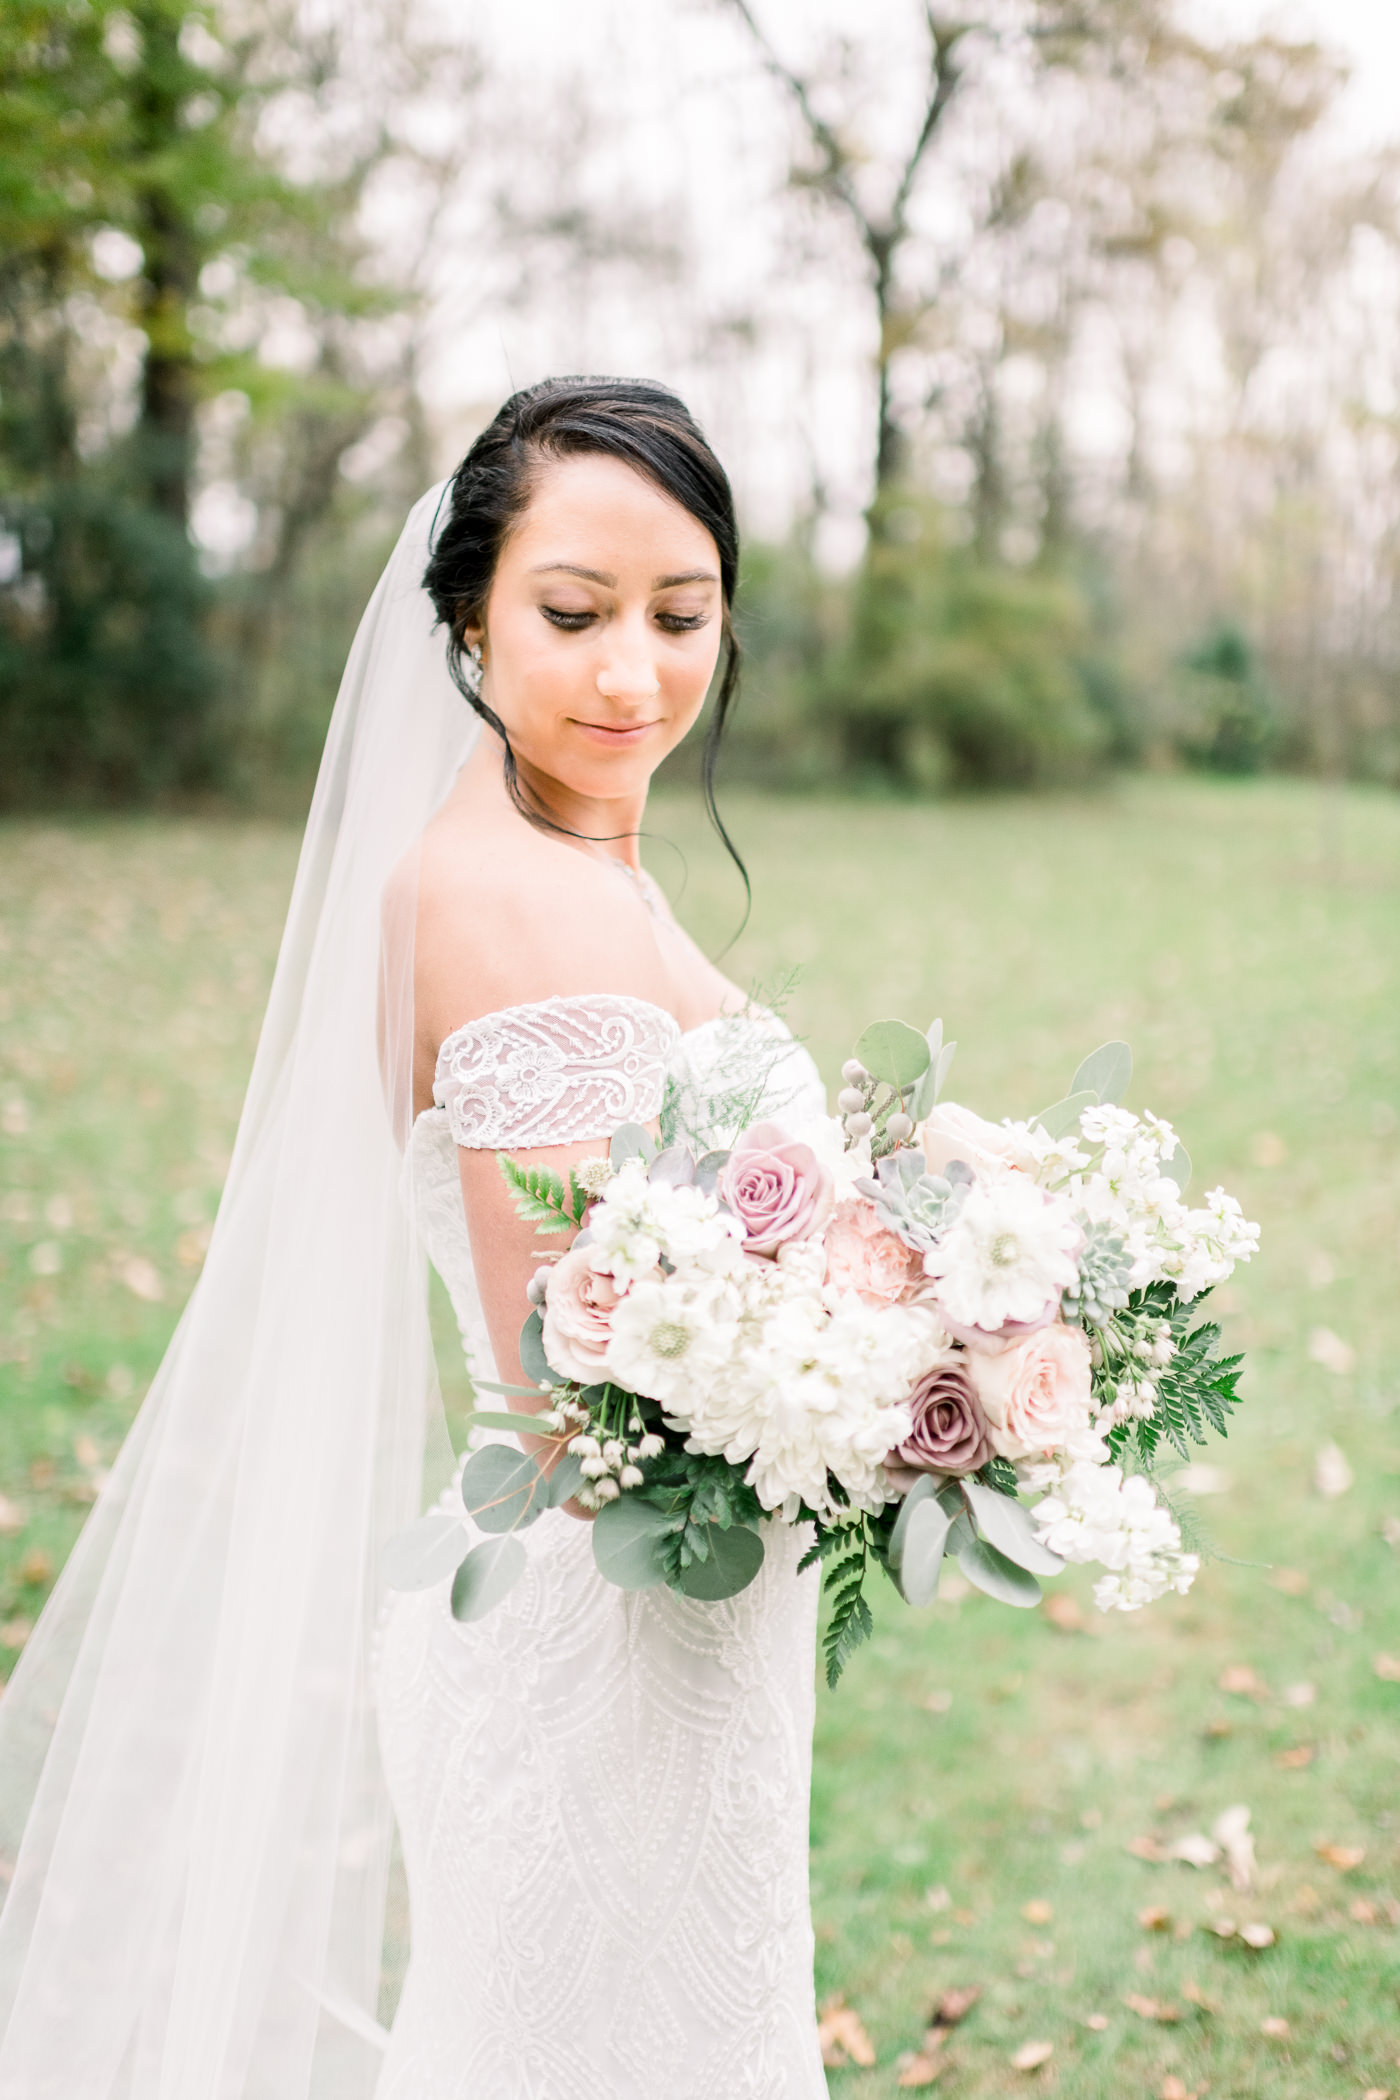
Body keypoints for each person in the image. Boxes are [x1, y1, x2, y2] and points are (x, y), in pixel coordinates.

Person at [0, 377, 830, 2099]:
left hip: (673, 1622)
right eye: (573, 612)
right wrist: (888, 1393)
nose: (633, 673)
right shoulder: (492, 891)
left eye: (681, 618)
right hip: (601, 1642)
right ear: (466, 616)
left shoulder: (573, 853)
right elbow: (584, 1397)